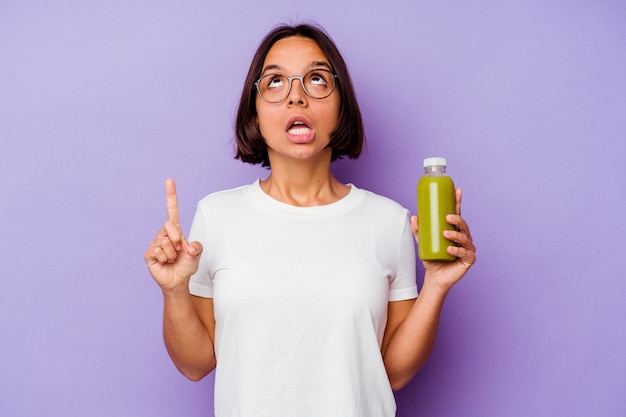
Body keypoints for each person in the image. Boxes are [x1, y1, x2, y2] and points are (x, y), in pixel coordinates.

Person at [144, 23, 476, 417]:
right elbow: (194, 364)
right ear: (255, 109)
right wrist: (174, 290)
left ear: (341, 105)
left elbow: (393, 372)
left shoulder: (388, 220)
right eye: (275, 81)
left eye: (316, 79)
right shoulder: (217, 216)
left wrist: (436, 286)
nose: (296, 97)